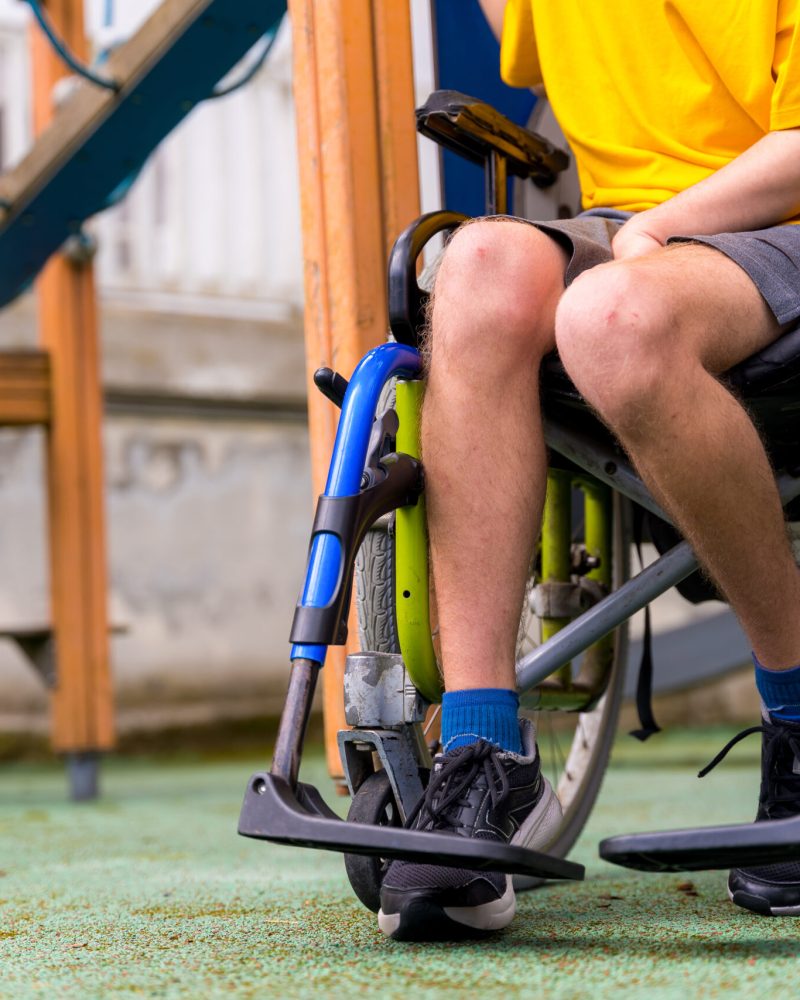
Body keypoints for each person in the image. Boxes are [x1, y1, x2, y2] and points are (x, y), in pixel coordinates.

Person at [377, 0, 800, 941]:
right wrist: (642, 235)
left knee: (609, 319)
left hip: (777, 224)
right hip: (627, 233)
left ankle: (798, 713)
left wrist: (663, 228)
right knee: (476, 263)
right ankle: (482, 748)